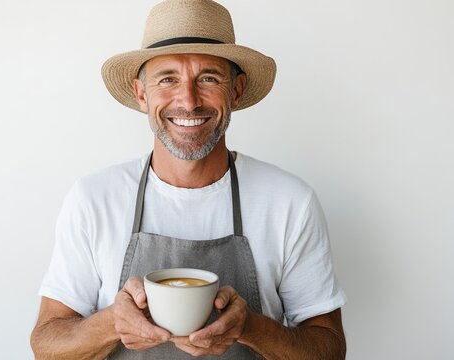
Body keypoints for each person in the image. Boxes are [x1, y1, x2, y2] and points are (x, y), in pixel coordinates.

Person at [30, 0, 347, 358]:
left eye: (208, 78)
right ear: (141, 94)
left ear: (237, 90)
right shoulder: (94, 198)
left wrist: (250, 326)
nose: (189, 101)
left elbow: (329, 350)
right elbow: (46, 345)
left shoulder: (290, 202)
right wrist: (112, 323)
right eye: (168, 79)